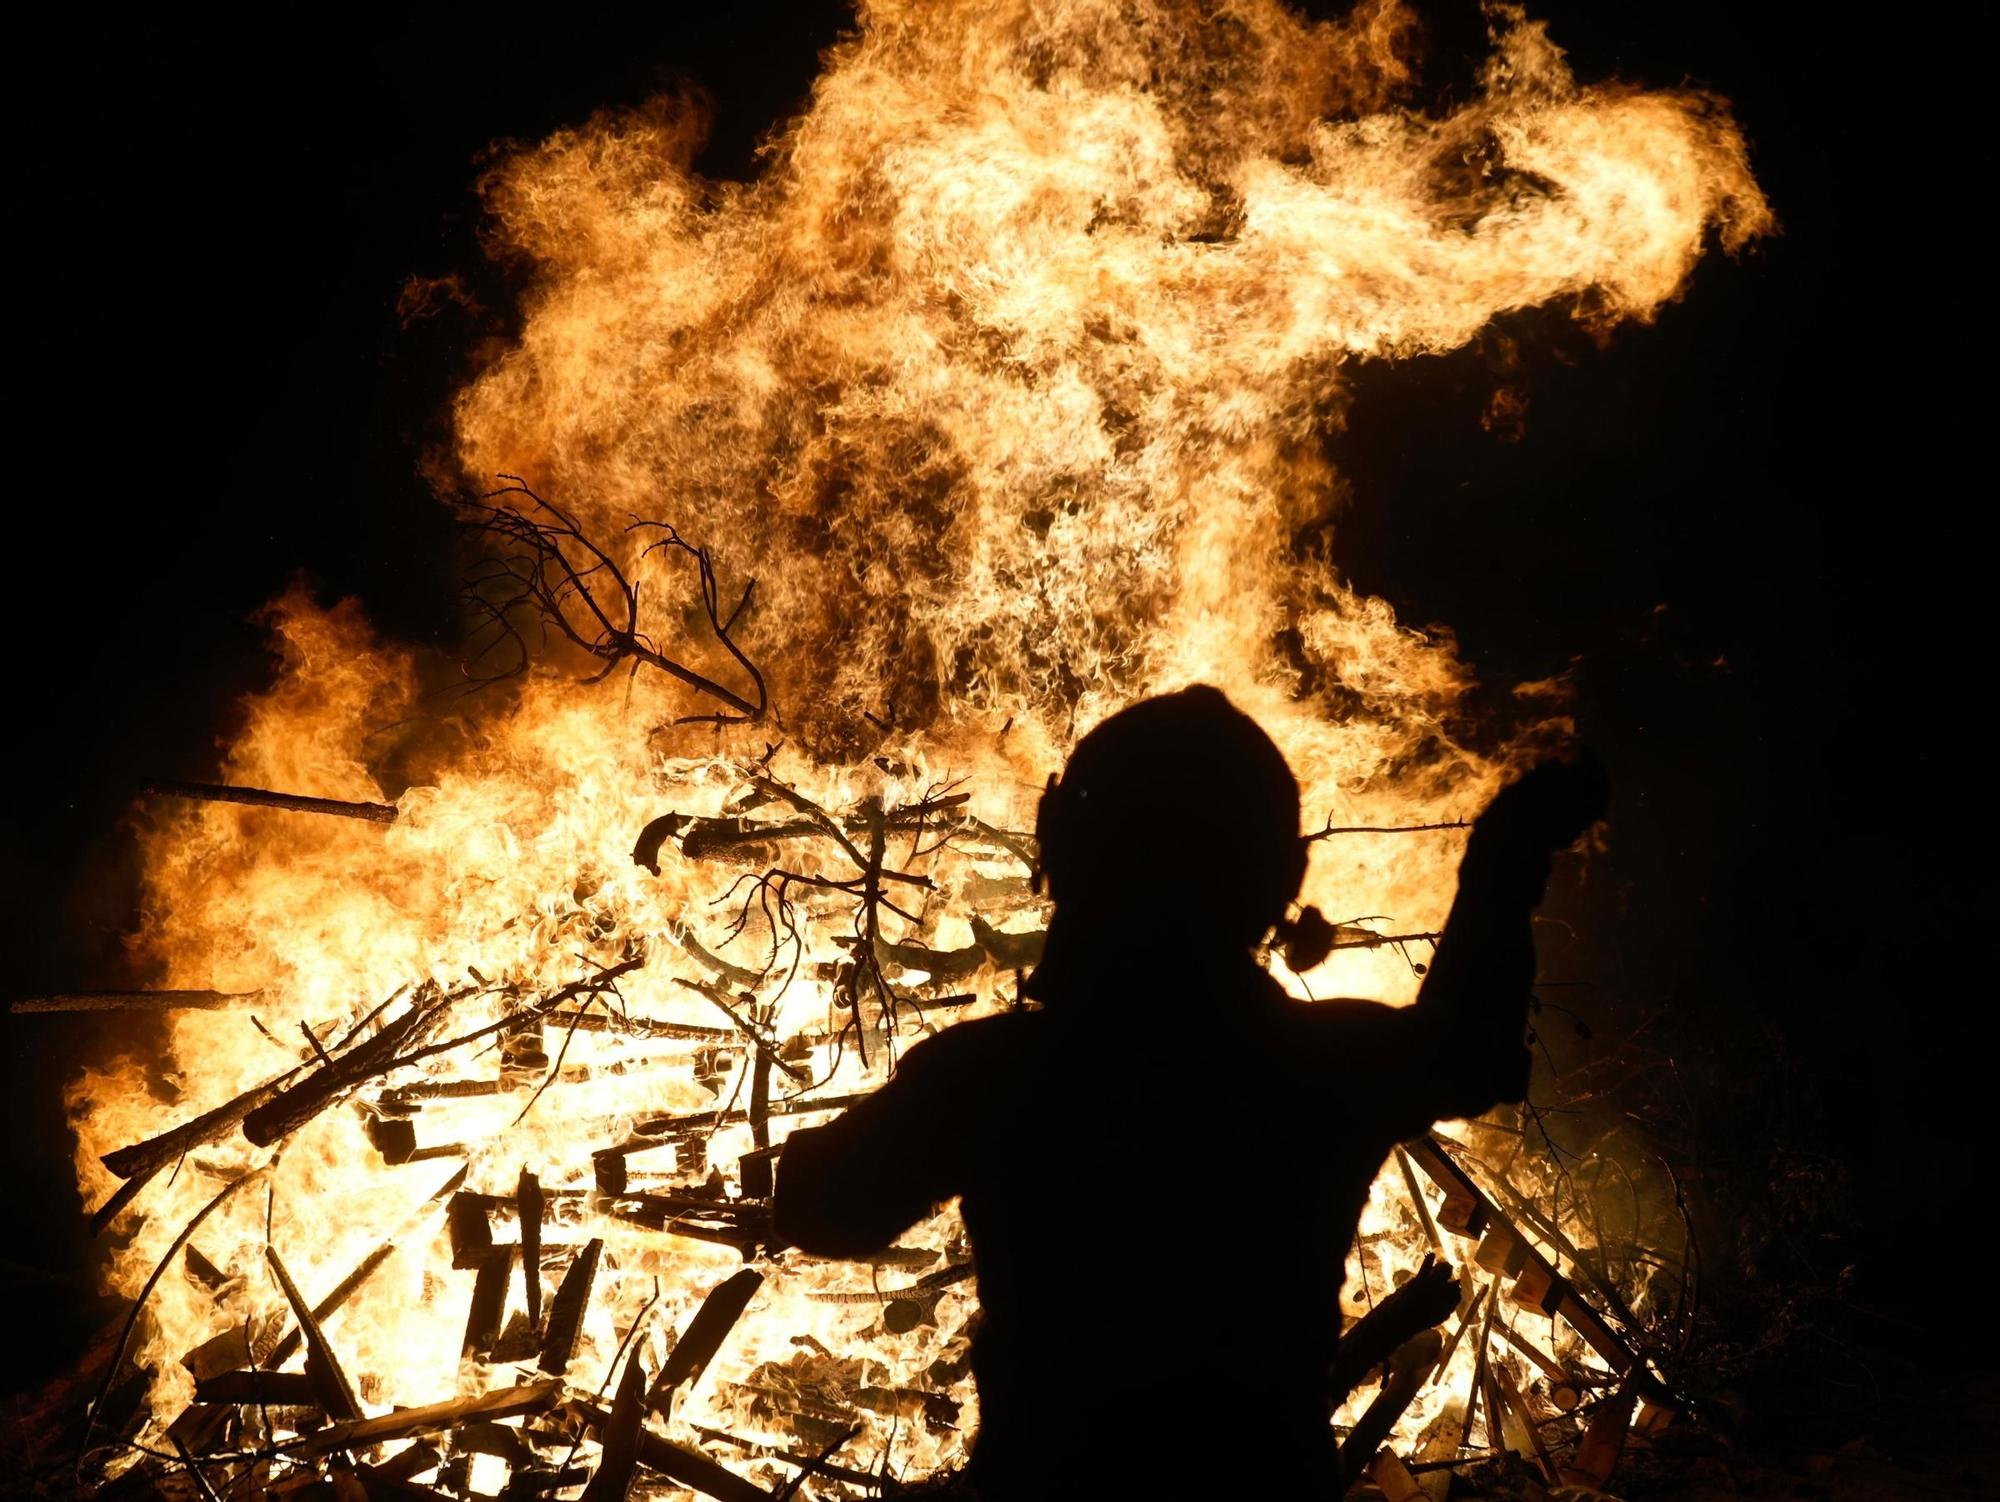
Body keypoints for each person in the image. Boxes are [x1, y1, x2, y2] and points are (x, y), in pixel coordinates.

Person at [774, 686, 1607, 1499]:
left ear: (1064, 852)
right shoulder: (1323, 1066)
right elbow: (1469, 1050)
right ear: (1276, 880)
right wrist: (1504, 855)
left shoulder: (995, 1075)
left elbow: (827, 1205)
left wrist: (807, 1159)